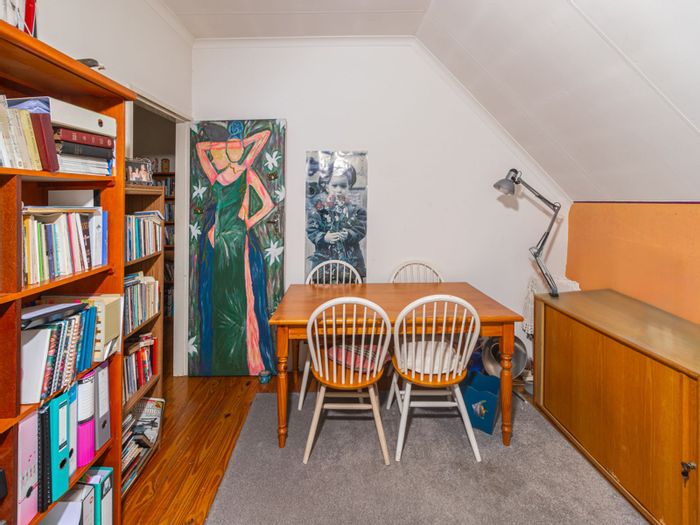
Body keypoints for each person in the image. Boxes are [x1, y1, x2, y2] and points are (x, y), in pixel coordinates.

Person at [192, 123, 276, 376]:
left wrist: (247, 223)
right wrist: (230, 144)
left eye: (239, 147)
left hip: (238, 243)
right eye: (230, 147)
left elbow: (268, 204)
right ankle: (224, 362)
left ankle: (248, 360)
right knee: (220, 301)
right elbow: (200, 147)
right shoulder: (216, 177)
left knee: (241, 301)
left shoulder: (247, 173)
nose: (235, 150)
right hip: (218, 244)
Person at [306, 160, 367, 278]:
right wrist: (324, 237)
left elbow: (361, 228)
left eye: (343, 186)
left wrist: (349, 234)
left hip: (350, 264)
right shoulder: (319, 209)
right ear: (327, 186)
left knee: (352, 287)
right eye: (334, 186)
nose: (339, 190)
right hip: (324, 263)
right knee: (323, 288)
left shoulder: (357, 210)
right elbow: (311, 229)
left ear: (349, 186)